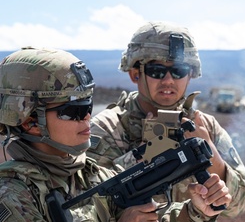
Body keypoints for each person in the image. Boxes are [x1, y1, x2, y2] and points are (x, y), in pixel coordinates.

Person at [0, 47, 230, 222]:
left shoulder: (90, 174)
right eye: (73, 111)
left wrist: (196, 211)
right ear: (31, 122)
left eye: (88, 107)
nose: (87, 118)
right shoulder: (12, 194)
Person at [87, 21, 245, 220]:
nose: (168, 80)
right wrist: (138, 160)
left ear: (190, 76)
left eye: (179, 71)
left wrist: (212, 157)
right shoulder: (107, 129)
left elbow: (237, 206)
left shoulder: (205, 127)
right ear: (135, 74)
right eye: (156, 71)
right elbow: (84, 209)